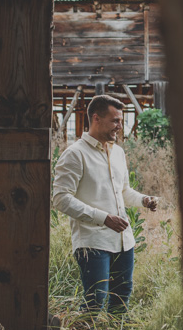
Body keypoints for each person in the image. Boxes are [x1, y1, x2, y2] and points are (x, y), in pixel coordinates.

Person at [52, 95, 159, 314]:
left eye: (121, 121)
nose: (120, 126)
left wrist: (143, 200)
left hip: (123, 242)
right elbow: (61, 199)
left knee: (121, 302)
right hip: (92, 242)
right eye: (115, 121)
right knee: (95, 304)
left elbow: (123, 191)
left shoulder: (118, 152)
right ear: (96, 118)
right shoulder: (75, 154)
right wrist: (104, 218)